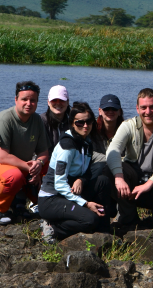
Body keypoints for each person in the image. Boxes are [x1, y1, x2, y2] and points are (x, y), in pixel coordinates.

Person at [104, 88, 153, 229]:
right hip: (134, 181)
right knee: (107, 169)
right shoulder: (128, 125)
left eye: (152, 107)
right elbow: (113, 150)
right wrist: (118, 177)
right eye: (144, 107)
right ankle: (128, 218)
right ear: (137, 108)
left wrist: (150, 183)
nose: (148, 112)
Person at [0, 81, 50, 226]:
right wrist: (30, 168)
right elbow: (3, 157)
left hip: (20, 167)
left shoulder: (37, 120)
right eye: (24, 99)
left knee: (49, 164)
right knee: (14, 175)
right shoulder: (4, 119)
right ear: (16, 99)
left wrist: (39, 163)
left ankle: (21, 202)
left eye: (33, 100)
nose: (29, 103)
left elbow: (44, 152)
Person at [38, 102, 111, 239]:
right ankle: (53, 228)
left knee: (103, 181)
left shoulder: (86, 142)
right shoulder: (67, 147)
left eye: (89, 121)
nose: (85, 125)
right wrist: (85, 203)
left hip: (68, 193)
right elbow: (59, 184)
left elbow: (87, 170)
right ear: (72, 123)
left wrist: (81, 180)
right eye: (80, 122)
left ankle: (104, 230)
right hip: (52, 199)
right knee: (90, 220)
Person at [90, 94, 125, 177]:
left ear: (120, 111)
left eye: (114, 108)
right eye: (106, 108)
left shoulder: (126, 129)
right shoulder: (90, 128)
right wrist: (111, 159)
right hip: (98, 168)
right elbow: (89, 153)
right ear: (100, 111)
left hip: (121, 168)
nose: (110, 111)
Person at [40, 85, 70, 161]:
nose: (58, 103)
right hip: (46, 163)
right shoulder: (41, 121)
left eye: (61, 100)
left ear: (67, 102)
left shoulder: (74, 122)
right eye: (54, 100)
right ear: (48, 102)